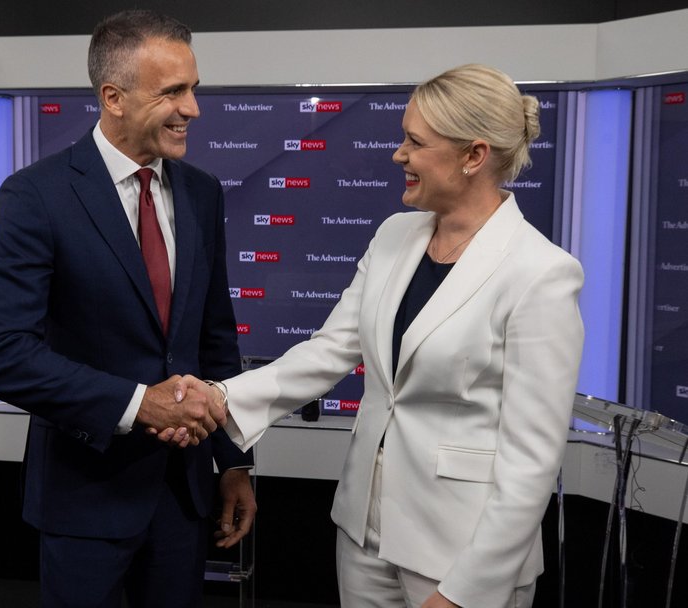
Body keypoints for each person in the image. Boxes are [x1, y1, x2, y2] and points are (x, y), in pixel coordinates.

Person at [180, 64, 584, 608]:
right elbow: (330, 351)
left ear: (473, 155)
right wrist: (219, 397)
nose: (399, 155)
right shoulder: (396, 235)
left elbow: (532, 460)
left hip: (461, 553)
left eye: (415, 142)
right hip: (363, 533)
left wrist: (466, 589)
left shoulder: (541, 273)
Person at [0, 9, 255, 608]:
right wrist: (137, 404)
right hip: (84, 497)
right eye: (172, 91)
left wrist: (233, 462)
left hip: (184, 497)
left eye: (193, 88)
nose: (192, 108)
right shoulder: (36, 196)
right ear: (113, 97)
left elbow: (215, 339)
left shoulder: (202, 192)